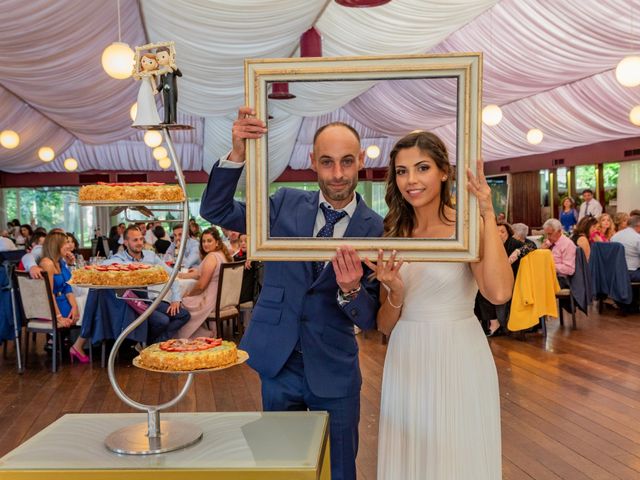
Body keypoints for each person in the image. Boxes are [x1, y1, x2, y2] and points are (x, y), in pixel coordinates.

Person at [200, 107, 383, 480]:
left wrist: (351, 291)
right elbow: (215, 209)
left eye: (347, 162)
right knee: (280, 467)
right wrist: (237, 153)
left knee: (339, 469)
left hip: (334, 368)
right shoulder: (282, 203)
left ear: (361, 161)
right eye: (327, 162)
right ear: (312, 161)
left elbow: (372, 319)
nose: (337, 174)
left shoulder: (376, 228)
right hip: (278, 361)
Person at [364, 131, 513, 480]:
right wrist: (396, 293)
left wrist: (487, 213)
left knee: (456, 456)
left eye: (422, 168)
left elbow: (499, 293)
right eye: (402, 171)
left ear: (444, 171)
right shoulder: (393, 233)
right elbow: (384, 326)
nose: (411, 180)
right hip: (406, 357)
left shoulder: (465, 226)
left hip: (458, 352)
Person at [105, 226, 190, 343]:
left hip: (152, 300)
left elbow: (172, 274)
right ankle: (151, 345)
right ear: (125, 242)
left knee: (184, 315)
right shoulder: (120, 259)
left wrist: (176, 298)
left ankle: (153, 344)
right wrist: (127, 267)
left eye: (141, 239)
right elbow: (104, 265)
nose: (139, 243)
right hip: (134, 304)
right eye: (135, 240)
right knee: (163, 321)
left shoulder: (150, 256)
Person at [176, 227, 233, 338]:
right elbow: (199, 274)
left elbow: (201, 286)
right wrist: (180, 275)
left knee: (180, 304)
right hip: (221, 298)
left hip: (210, 300)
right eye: (203, 241)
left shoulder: (211, 257)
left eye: (209, 241)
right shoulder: (221, 254)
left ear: (217, 242)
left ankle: (204, 335)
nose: (205, 244)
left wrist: (188, 294)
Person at [38, 232, 80, 339]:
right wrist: (58, 317)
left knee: (85, 305)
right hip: (51, 307)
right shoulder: (47, 263)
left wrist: (74, 306)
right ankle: (77, 346)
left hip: (61, 300)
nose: (69, 246)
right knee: (87, 309)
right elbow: (48, 293)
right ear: (56, 245)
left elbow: (67, 286)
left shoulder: (59, 261)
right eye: (65, 243)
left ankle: (77, 345)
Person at [541, 218, 577, 285]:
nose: (548, 237)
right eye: (547, 234)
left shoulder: (567, 244)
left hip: (562, 279)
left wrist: (550, 266)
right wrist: (542, 251)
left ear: (559, 231)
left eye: (550, 234)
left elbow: (570, 269)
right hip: (551, 275)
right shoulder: (551, 242)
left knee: (538, 284)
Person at [132, 53, 161, 126]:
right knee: (141, 101)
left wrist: (155, 89)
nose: (146, 64)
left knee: (148, 101)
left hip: (148, 88)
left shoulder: (151, 74)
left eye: (150, 62)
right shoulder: (141, 73)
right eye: (144, 61)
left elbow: (153, 82)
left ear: (155, 65)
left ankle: (150, 118)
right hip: (142, 88)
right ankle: (141, 118)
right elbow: (136, 78)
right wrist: (135, 71)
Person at [156, 46, 182, 124]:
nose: (160, 60)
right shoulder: (162, 72)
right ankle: (166, 120)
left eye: (163, 57)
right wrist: (157, 89)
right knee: (166, 105)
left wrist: (176, 68)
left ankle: (173, 120)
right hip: (165, 91)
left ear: (170, 56)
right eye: (158, 59)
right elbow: (161, 83)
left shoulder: (173, 68)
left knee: (172, 104)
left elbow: (180, 74)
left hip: (172, 91)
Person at [611, 215, 640, 283]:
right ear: (639, 226)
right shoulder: (637, 237)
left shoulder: (615, 236)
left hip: (615, 272)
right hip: (631, 273)